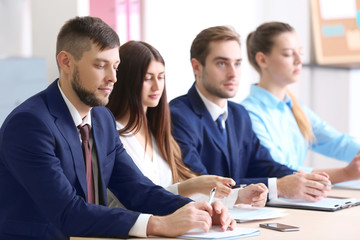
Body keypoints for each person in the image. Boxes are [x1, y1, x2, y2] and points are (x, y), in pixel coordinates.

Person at [0, 17, 235, 240]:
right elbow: (67, 212)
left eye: (116, 66)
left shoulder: (102, 119)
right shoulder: (30, 124)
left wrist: (195, 209)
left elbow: (138, 190)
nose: (113, 77)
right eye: (101, 66)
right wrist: (157, 223)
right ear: (66, 62)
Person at [169, 25, 332, 203]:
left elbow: (263, 165)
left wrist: (302, 179)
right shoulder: (178, 116)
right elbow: (201, 184)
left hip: (244, 216)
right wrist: (279, 187)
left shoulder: (239, 115)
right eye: (222, 63)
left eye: (237, 63)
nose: (233, 73)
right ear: (197, 67)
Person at [106, 40, 268, 208]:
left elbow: (186, 193)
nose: (157, 86)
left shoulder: (158, 131)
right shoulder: (111, 134)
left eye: (161, 77)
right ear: (125, 80)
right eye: (147, 78)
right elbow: (134, 199)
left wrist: (238, 197)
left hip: (173, 228)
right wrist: (189, 186)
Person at [241, 21, 360, 184]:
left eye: (300, 53)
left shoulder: (294, 107)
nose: (299, 60)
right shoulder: (248, 113)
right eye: (289, 54)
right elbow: (278, 169)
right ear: (262, 60)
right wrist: (345, 173)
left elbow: (336, 142)